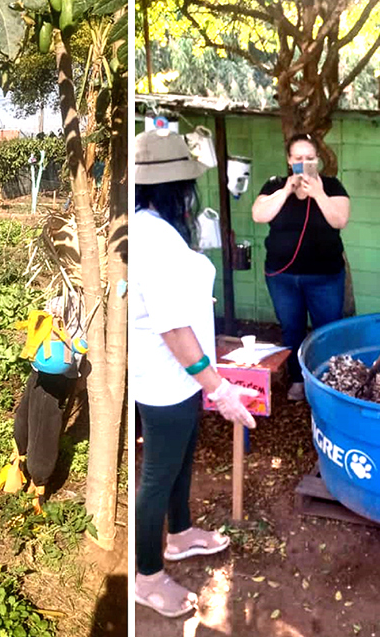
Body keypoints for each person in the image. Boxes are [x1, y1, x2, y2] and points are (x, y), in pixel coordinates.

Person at [132, 128, 259, 618]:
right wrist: (219, 387)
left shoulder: (157, 229)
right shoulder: (155, 239)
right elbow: (172, 327)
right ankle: (147, 578)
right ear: (177, 187)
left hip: (180, 377)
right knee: (157, 477)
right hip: (166, 378)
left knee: (182, 459)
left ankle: (181, 535)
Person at [252, 133, 351, 401]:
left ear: (318, 160)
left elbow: (340, 219)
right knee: (291, 328)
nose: (304, 163)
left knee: (327, 328)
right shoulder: (274, 185)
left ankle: (326, 383)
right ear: (288, 160)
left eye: (309, 158)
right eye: (298, 159)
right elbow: (259, 214)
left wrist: (317, 194)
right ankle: (297, 379)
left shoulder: (332, 186)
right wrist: (286, 190)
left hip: (325, 277)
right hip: (283, 277)